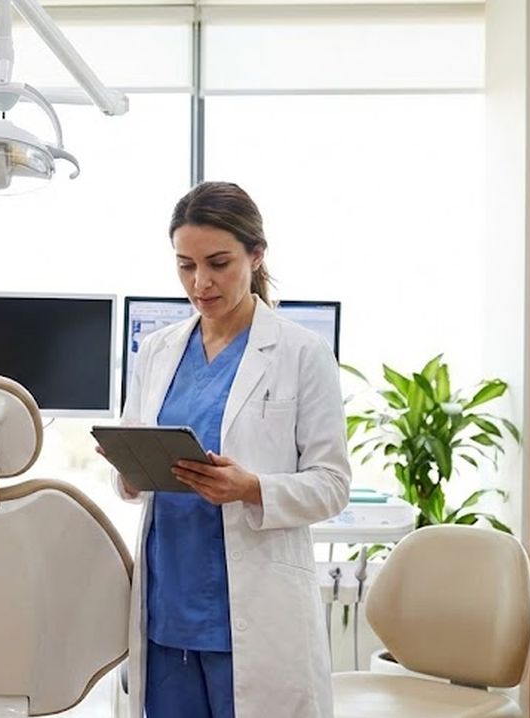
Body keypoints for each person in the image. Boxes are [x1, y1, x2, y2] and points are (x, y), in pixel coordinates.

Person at [108, 181, 351, 718]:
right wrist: (128, 471)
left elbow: (332, 484)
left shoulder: (301, 354)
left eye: (218, 263)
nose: (201, 282)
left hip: (254, 609)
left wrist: (252, 488)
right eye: (185, 265)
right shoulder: (157, 351)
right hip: (167, 604)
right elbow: (131, 468)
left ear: (256, 254)